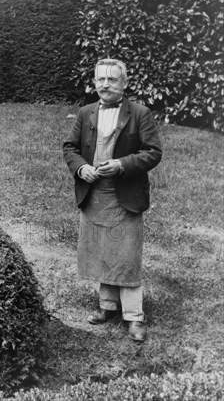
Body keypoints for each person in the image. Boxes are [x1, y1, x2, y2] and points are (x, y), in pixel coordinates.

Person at [63, 58, 162, 342]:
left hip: (125, 196)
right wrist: (82, 168)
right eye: (100, 79)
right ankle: (107, 307)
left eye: (112, 80)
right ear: (94, 82)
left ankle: (134, 316)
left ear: (125, 84)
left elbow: (153, 152)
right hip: (94, 194)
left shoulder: (140, 113)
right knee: (101, 251)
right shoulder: (85, 112)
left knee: (127, 254)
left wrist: (121, 165)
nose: (105, 85)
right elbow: (69, 147)